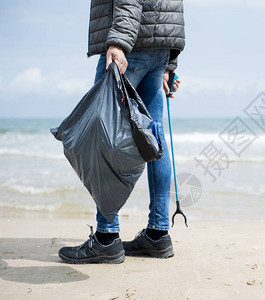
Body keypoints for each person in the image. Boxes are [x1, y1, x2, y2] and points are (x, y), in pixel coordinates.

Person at [58, 0, 185, 264]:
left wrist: (118, 43)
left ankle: (106, 238)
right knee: (154, 136)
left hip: (132, 43)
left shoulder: (123, 43)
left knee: (102, 134)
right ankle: (158, 232)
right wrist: (167, 63)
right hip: (158, 45)